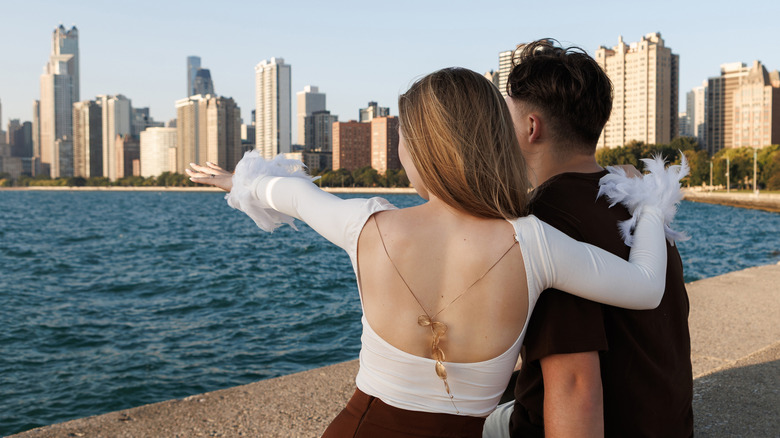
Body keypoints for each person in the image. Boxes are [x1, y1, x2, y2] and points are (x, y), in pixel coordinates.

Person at [187, 67, 680, 437]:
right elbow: (646, 288)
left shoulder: (366, 225)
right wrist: (652, 202)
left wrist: (239, 181)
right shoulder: (535, 242)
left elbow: (287, 194)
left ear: (425, 148)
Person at [483, 40, 693, 437]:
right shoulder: (640, 201)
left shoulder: (545, 220)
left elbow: (575, 385)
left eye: (506, 115)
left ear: (531, 126)